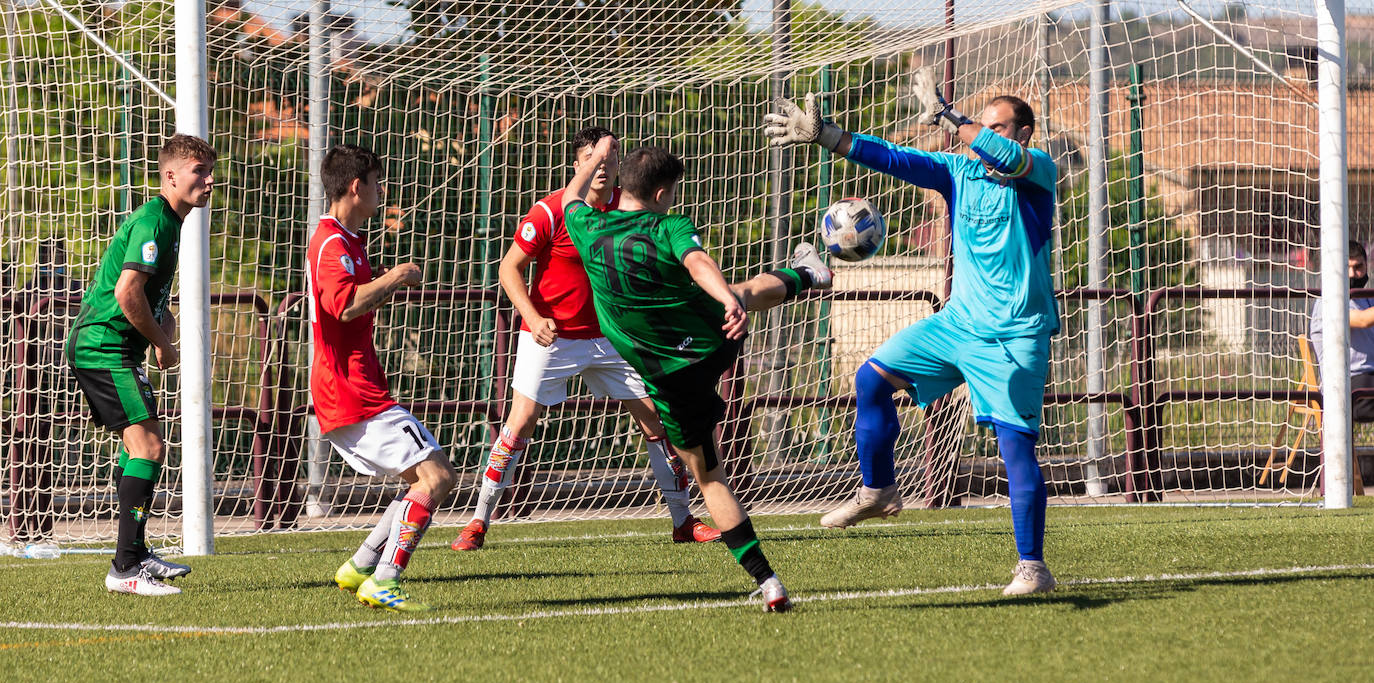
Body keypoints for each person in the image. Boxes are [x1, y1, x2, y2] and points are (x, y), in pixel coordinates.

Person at [763, 68, 1060, 596]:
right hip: (958, 323)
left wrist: (953, 117)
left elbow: (1005, 157)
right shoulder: (957, 172)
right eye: (983, 125)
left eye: (998, 127)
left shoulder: (1037, 173)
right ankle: (878, 490)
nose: (986, 136)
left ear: (1023, 134)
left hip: (1015, 336)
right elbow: (895, 159)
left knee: (1015, 450)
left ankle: (1033, 567)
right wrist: (828, 135)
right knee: (871, 379)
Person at [561, 137, 834, 611]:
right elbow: (697, 261)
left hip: (668, 377)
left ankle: (769, 581)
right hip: (713, 341)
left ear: (621, 182)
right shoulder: (669, 226)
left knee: (709, 478)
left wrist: (600, 154)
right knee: (744, 291)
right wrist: (727, 298)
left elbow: (569, 195)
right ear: (663, 194)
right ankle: (808, 275)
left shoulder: (585, 225)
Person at [452, 126, 718, 551]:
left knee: (657, 422)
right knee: (519, 424)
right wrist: (533, 316)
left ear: (619, 167)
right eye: (592, 159)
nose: (602, 166)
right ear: (577, 166)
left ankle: (683, 521)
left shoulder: (626, 209)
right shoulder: (553, 211)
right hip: (550, 337)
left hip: (612, 337)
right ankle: (478, 522)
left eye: (609, 158)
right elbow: (508, 270)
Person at [66, 134, 215, 596]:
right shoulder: (155, 223)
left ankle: (135, 553)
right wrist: (164, 347)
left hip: (113, 348)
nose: (210, 181)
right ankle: (126, 568)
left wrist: (163, 324)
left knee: (140, 447)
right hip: (102, 347)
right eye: (199, 172)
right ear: (171, 175)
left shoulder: (168, 223)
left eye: (211, 172)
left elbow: (150, 297)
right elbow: (126, 294)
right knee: (149, 446)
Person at [315, 144, 458, 612]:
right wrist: (395, 276)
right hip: (351, 392)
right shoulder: (333, 244)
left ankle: (359, 566)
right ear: (356, 188)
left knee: (425, 473)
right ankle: (384, 580)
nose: (383, 191)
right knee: (436, 477)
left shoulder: (346, 241)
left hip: (358, 388)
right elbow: (344, 304)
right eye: (378, 183)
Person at [1310, 240, 1374, 420]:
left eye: (1359, 267)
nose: (1353, 274)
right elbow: (1362, 320)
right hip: (1346, 387)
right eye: (1347, 267)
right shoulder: (1328, 301)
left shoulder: (1366, 298)